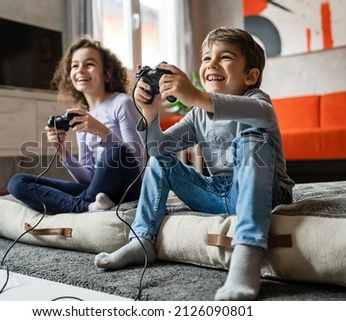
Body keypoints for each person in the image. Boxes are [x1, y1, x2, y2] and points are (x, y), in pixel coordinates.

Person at [94, 27, 295, 300]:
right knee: (161, 161)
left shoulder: (256, 100)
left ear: (251, 76)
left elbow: (261, 114)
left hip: (269, 194)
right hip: (218, 194)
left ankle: (247, 251)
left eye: (225, 57)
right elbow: (157, 148)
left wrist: (196, 95)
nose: (211, 63)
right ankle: (142, 240)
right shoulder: (198, 114)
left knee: (252, 141)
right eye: (206, 58)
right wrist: (150, 113)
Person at [8, 36, 145, 214]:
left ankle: (78, 205)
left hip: (128, 188)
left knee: (117, 151)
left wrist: (101, 131)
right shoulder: (82, 115)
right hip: (98, 193)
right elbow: (87, 179)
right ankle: (87, 207)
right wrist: (61, 150)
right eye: (74, 65)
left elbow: (137, 160)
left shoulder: (121, 102)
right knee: (17, 182)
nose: (80, 70)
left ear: (106, 71)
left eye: (89, 64)